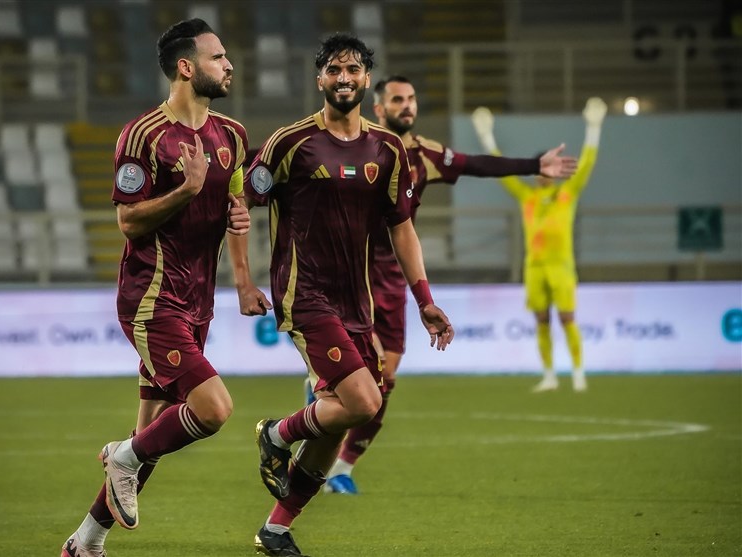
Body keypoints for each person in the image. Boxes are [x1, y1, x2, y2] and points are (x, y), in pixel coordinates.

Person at [239, 34, 455, 557]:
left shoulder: (387, 148)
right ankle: (276, 434)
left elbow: (402, 227)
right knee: (364, 401)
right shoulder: (290, 142)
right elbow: (238, 203)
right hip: (305, 294)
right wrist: (243, 280)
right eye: (334, 70)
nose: (344, 78)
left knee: (339, 419)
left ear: (366, 79)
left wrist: (424, 298)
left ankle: (276, 529)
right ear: (320, 78)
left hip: (358, 303)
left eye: (353, 69)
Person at [60, 18, 269, 557]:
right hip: (151, 298)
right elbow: (128, 221)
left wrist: (244, 281)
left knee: (153, 434)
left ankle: (85, 542)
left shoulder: (232, 135)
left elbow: (236, 209)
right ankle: (122, 455)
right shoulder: (144, 135)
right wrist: (186, 190)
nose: (228, 65)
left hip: (198, 302)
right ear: (186, 67)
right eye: (217, 57)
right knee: (213, 408)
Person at [320, 75, 579, 495]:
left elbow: (476, 164)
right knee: (359, 371)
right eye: (397, 100)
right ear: (379, 108)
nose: (407, 106)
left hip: (393, 278)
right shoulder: (356, 145)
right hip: (348, 272)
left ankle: (342, 468)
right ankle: (315, 419)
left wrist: (534, 165)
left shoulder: (426, 155)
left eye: (411, 99)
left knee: (386, 380)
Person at [472, 97, 607, 393]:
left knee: (567, 318)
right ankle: (549, 375)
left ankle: (578, 373)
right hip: (534, 266)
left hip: (561, 266)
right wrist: (486, 137)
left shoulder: (567, 193)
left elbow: (586, 165)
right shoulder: (527, 197)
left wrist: (593, 128)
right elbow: (500, 171)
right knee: (542, 320)